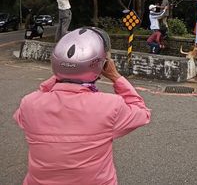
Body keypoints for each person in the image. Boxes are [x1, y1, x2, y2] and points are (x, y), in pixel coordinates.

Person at [13, 27, 150, 184]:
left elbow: (23, 115)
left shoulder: (29, 104)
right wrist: (115, 76)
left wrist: (60, 75)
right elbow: (142, 112)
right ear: (102, 64)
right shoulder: (110, 106)